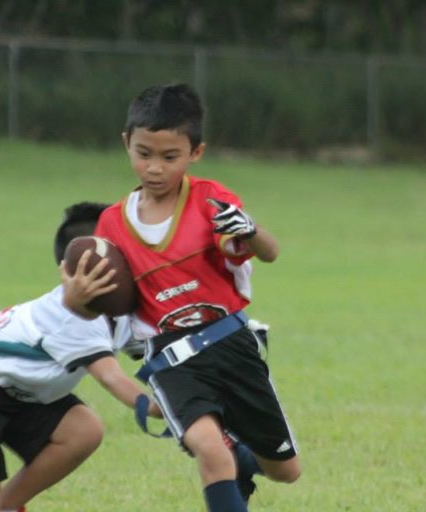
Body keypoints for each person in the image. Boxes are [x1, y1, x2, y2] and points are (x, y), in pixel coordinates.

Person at [61, 83, 301, 512]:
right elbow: (91, 307)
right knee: (209, 451)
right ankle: (226, 459)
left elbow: (268, 252)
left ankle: (241, 460)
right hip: (170, 357)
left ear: (196, 153)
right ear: (126, 144)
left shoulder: (211, 201)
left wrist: (250, 230)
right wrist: (75, 295)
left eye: (169, 157)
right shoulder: (112, 224)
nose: (154, 168)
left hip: (231, 343)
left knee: (286, 470)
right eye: (143, 153)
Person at [0, 201, 160, 512]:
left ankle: (6, 507)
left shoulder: (121, 312)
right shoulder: (72, 316)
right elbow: (110, 376)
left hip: (23, 392)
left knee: (83, 430)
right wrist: (162, 409)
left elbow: (159, 347)